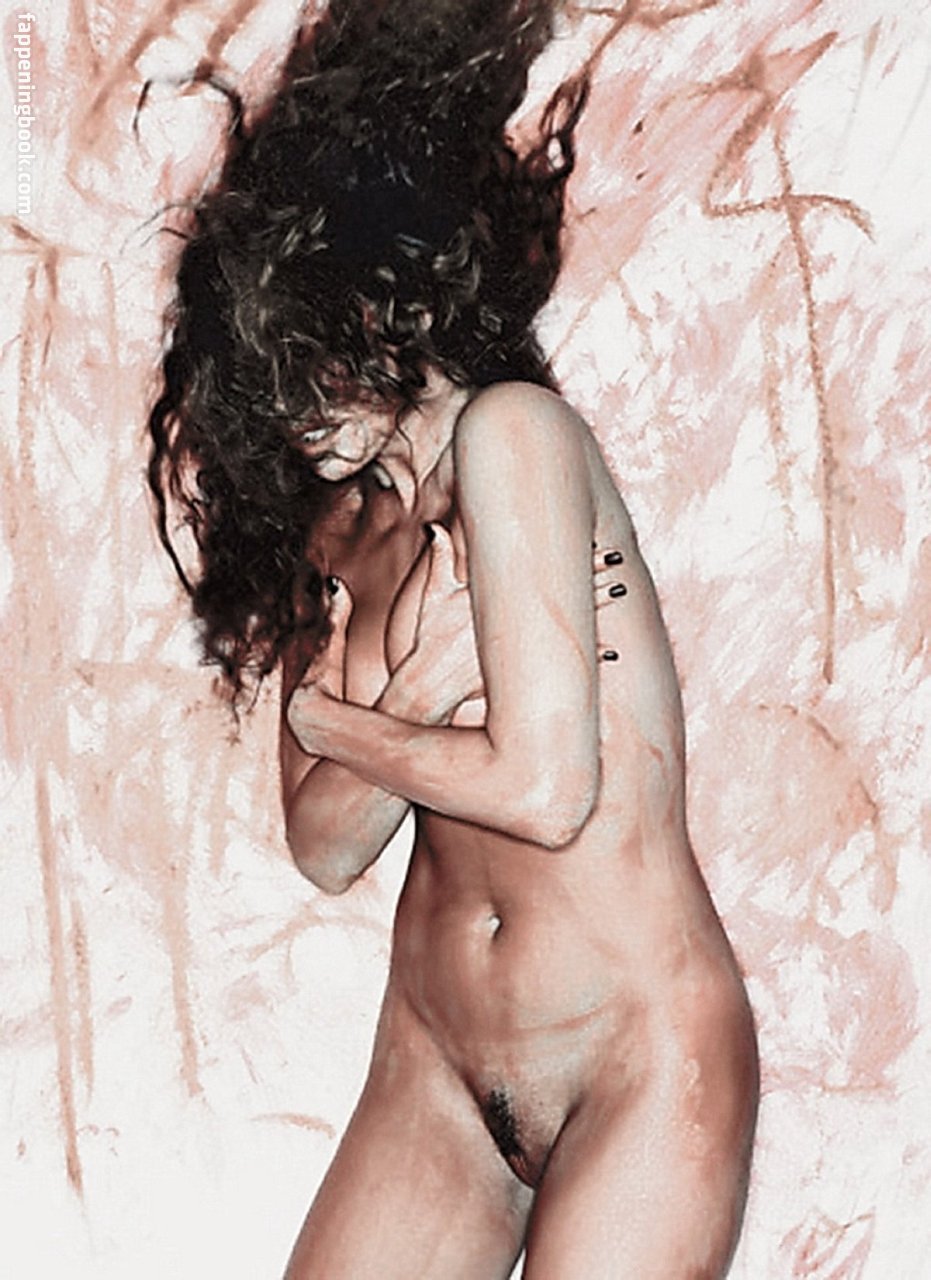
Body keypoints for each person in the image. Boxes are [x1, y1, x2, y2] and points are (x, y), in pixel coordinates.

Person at [147, 1, 759, 1274]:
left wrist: (339, 721)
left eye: (311, 352)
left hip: (634, 1049)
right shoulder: (342, 530)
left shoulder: (514, 434)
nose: (296, 405)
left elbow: (543, 787)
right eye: (268, 374)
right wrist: (413, 703)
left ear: (394, 303)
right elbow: (323, 844)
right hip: (432, 1063)